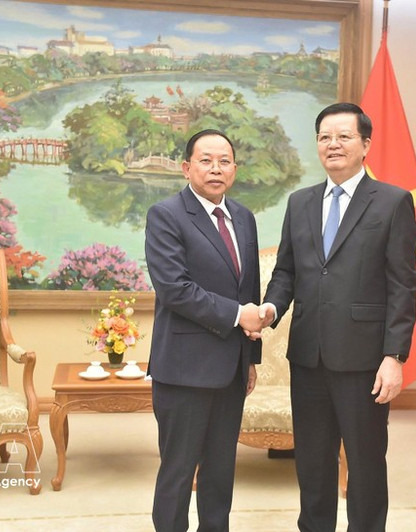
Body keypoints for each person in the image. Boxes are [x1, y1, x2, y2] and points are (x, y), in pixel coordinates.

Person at [260, 103, 416, 532]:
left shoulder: (392, 202)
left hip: (365, 360)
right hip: (308, 356)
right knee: (312, 463)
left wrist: (394, 356)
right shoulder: (300, 202)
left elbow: (402, 285)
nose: (333, 144)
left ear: (365, 145)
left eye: (344, 136)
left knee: (366, 463)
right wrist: (271, 308)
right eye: (325, 137)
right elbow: (287, 272)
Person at [144, 129, 267, 532]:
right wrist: (237, 316)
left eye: (224, 161)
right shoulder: (166, 215)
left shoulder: (245, 218)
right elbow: (174, 289)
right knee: (178, 472)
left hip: (231, 369)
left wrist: (250, 360)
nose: (216, 168)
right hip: (183, 370)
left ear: (235, 168)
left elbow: (248, 290)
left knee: (220, 472)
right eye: (206, 160)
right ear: (186, 167)